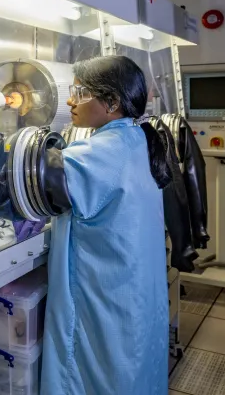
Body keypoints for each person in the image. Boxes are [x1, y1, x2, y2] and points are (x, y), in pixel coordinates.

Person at [41, 56, 171, 395]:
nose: (70, 100)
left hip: (108, 292)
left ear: (111, 102)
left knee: (95, 372)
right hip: (134, 290)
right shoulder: (136, 136)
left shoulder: (101, 151)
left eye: (80, 92)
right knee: (133, 368)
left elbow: (38, 181)